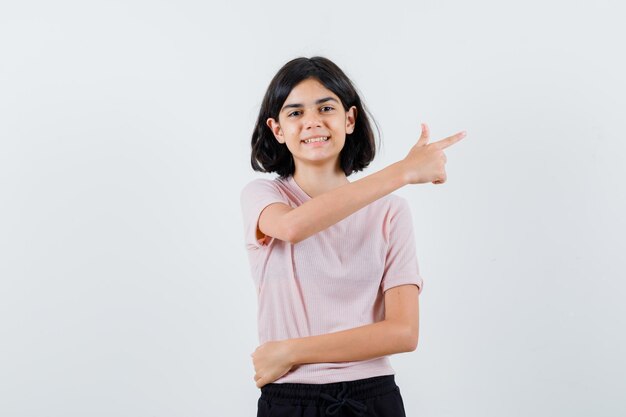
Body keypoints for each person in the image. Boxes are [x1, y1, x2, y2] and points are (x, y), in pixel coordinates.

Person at [240, 56, 466, 417]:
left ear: (349, 119)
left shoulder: (390, 213)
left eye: (325, 107)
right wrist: (403, 171)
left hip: (372, 398)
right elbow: (293, 228)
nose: (312, 121)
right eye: (295, 113)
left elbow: (403, 333)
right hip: (289, 401)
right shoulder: (265, 197)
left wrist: (292, 351)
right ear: (277, 129)